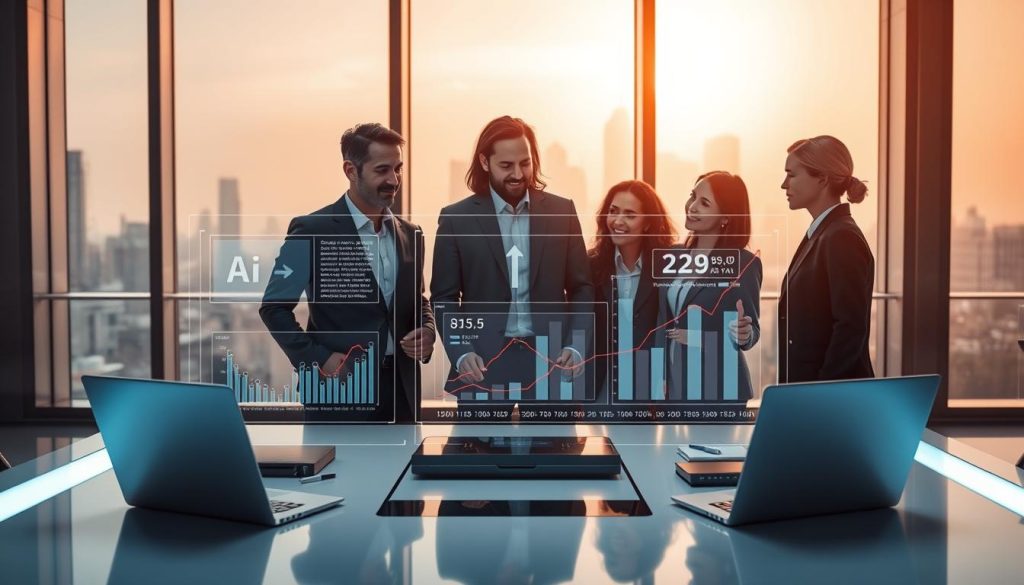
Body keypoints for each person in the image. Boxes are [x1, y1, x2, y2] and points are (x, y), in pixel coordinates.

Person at [260, 123, 435, 422]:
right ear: (350, 170)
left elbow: (418, 300)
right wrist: (321, 359)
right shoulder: (312, 230)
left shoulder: (411, 234)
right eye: (382, 170)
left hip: (402, 392)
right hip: (338, 387)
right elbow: (274, 308)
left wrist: (428, 331)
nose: (394, 180)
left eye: (398, 169)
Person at [430, 116, 594, 401]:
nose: (518, 174)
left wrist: (576, 345)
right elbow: (443, 297)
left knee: (557, 447)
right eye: (506, 166)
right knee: (474, 447)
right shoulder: (456, 219)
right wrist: (462, 350)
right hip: (482, 366)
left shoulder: (562, 212)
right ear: (485, 162)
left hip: (551, 363)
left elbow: (582, 287)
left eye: (525, 163)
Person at [657, 171, 762, 402]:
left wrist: (743, 333)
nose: (692, 206)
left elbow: (751, 333)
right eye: (692, 196)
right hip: (671, 385)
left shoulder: (743, 263)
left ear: (725, 217)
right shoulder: (673, 255)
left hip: (717, 388)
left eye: (704, 203)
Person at [779, 135, 874, 383]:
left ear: (822, 178)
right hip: (812, 391)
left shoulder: (841, 237)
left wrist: (821, 391)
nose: (783, 184)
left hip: (828, 395)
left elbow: (850, 328)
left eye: (792, 174)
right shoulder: (823, 233)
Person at [588, 180, 676, 401]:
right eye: (613, 212)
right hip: (601, 386)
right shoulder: (590, 265)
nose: (618, 221)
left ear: (647, 223)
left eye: (630, 215)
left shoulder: (667, 266)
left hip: (651, 388)